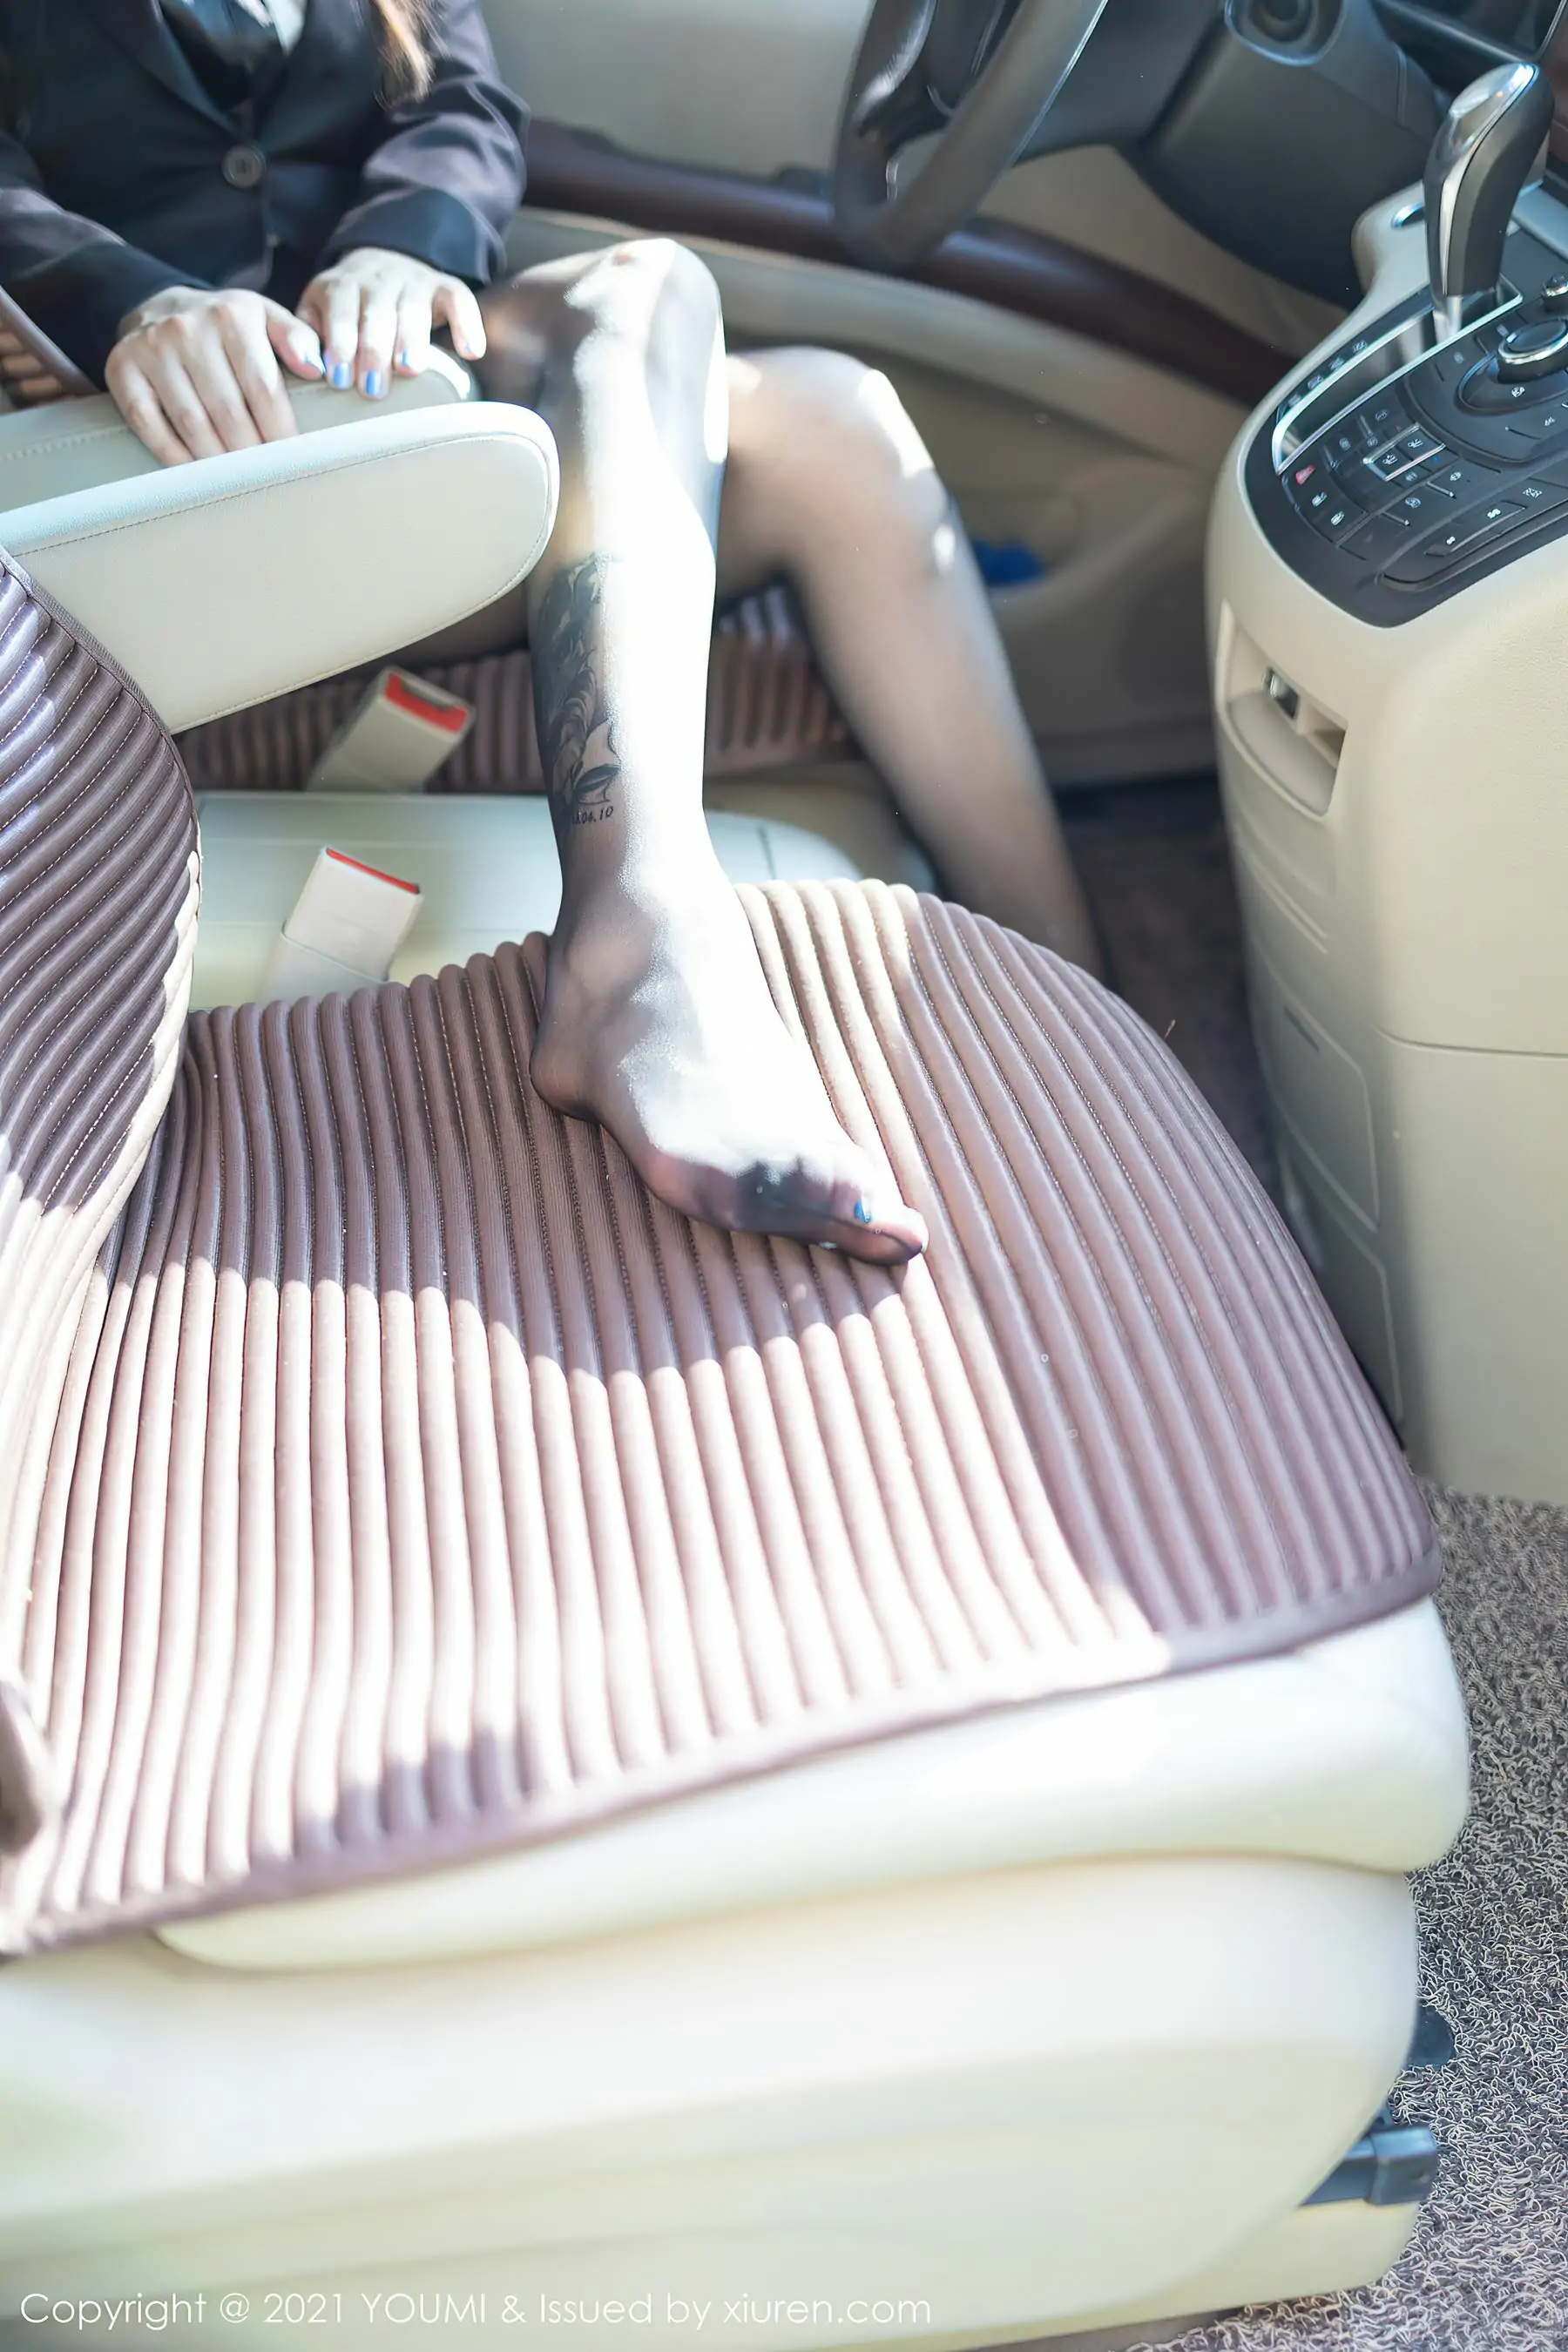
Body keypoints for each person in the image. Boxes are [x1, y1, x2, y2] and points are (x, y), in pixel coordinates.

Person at [0, 0, 1100, 1266]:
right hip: (163, 456)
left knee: (815, 406)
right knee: (699, 333)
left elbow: (457, 97)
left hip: (379, 390)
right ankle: (635, 948)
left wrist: (402, 246)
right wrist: (132, 301)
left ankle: (1076, 1004)